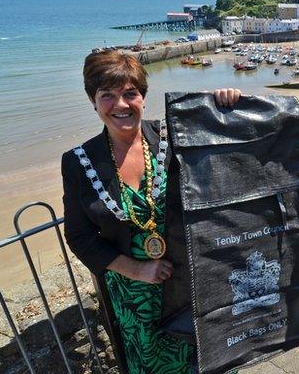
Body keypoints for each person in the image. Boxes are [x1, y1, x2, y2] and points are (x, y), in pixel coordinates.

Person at [61, 50, 241, 373]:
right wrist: (135, 270)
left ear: (143, 97)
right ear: (93, 101)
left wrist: (226, 105)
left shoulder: (175, 136)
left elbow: (224, 154)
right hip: (135, 299)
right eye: (108, 96)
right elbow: (78, 235)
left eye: (130, 93)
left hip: (191, 282)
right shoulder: (77, 162)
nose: (120, 105)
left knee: (207, 359)